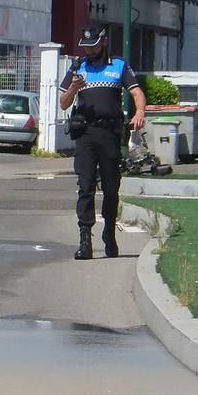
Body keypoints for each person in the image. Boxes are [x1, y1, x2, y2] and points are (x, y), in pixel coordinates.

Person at [58, 25, 146, 260]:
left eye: (93, 46)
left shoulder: (118, 65)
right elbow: (63, 103)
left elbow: (137, 93)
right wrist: (74, 87)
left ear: (103, 42)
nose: (89, 51)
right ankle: (85, 239)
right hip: (86, 134)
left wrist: (139, 113)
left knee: (110, 187)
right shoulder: (78, 68)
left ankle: (109, 230)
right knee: (85, 186)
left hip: (109, 134)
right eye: (85, 47)